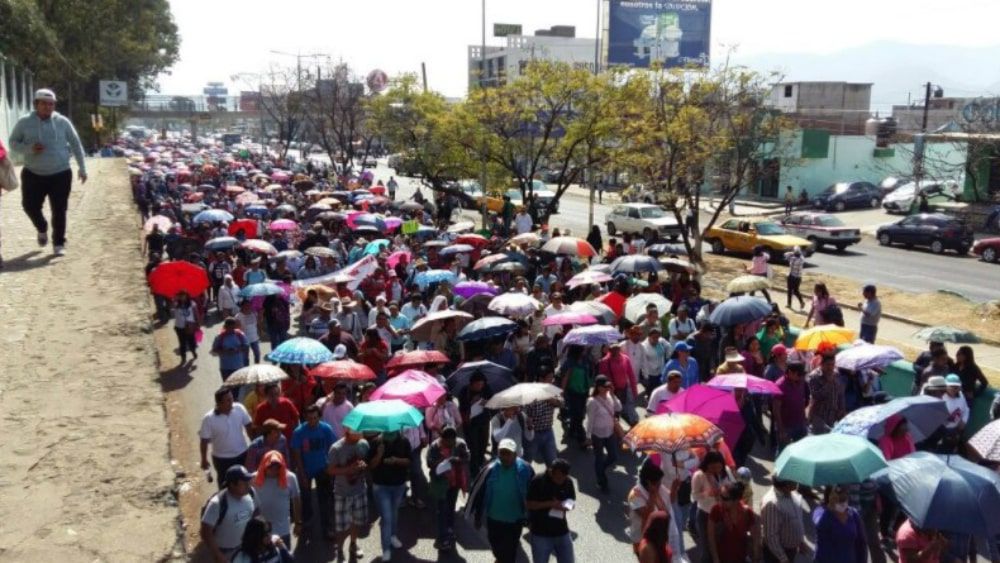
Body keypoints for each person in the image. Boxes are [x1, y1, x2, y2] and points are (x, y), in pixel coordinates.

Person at [8, 88, 87, 256]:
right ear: (36, 104)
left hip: (60, 173)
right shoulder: (24, 122)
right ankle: (42, 227)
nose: (47, 107)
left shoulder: (62, 121)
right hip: (33, 173)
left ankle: (58, 242)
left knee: (59, 209)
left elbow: (76, 143)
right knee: (29, 206)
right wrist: (29, 148)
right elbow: (13, 142)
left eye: (51, 104)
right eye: (43, 103)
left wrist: (82, 167)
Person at [466, 438, 535, 563]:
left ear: (515, 454)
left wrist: (532, 517)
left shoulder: (526, 469)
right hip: (494, 518)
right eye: (502, 453)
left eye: (508, 453)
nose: (505, 457)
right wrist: (477, 516)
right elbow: (478, 492)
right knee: (496, 547)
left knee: (510, 551)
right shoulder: (490, 470)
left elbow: (534, 493)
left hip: (515, 520)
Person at [290, 404, 337, 537]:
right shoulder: (299, 432)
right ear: (305, 417)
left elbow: (332, 448)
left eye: (315, 418)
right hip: (306, 470)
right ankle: (307, 524)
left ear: (319, 417)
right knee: (306, 498)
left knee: (325, 500)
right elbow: (297, 454)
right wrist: (302, 473)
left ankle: (327, 528)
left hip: (323, 469)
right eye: (309, 418)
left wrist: (331, 465)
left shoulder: (326, 429)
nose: (312, 421)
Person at [325, 428, 370, 559]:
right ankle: (339, 550)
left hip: (360, 489)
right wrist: (349, 469)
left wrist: (362, 465)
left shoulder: (362, 444)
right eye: (357, 432)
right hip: (342, 493)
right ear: (348, 432)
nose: (361, 434)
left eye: (361, 432)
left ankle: (353, 544)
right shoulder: (336, 448)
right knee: (341, 526)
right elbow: (330, 470)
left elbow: (365, 462)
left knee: (357, 521)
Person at [200, 464, 259, 562]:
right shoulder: (217, 503)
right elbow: (206, 533)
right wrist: (218, 555)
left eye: (248, 481)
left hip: (245, 547)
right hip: (224, 552)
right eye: (244, 482)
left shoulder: (251, 493)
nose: (248, 485)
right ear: (232, 484)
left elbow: (256, 514)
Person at [368, 430, 412, 561]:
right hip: (381, 486)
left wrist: (396, 460)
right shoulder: (376, 442)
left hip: (398, 485)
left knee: (394, 513)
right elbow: (371, 465)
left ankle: (393, 536)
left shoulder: (404, 441)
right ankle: (386, 548)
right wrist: (379, 455)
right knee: (386, 518)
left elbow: (409, 461)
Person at [526, 458, 577, 563]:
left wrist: (566, 506)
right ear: (550, 472)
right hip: (540, 533)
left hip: (562, 531)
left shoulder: (567, 481)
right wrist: (550, 504)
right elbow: (529, 504)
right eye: (558, 478)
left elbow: (571, 501)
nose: (560, 481)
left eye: (563, 477)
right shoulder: (538, 481)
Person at [427, 426, 470, 551]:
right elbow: (429, 462)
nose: (449, 445)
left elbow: (467, 457)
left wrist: (458, 460)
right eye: (447, 442)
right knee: (442, 509)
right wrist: (443, 462)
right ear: (442, 439)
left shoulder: (460, 444)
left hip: (455, 481)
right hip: (441, 483)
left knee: (451, 507)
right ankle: (443, 537)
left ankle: (450, 528)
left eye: (452, 442)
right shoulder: (435, 446)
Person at [200, 388, 253, 488]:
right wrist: (204, 459)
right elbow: (204, 441)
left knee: (245, 483)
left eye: (232, 399)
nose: (231, 403)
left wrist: (254, 444)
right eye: (228, 400)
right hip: (222, 459)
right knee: (225, 485)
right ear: (219, 403)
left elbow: (249, 426)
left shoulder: (239, 408)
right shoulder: (208, 419)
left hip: (242, 454)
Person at [627, 461, 680, 559]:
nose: (660, 484)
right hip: (643, 540)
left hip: (659, 537)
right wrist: (652, 495)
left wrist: (674, 488)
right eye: (658, 482)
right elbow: (647, 517)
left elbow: (671, 500)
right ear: (648, 482)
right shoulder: (635, 495)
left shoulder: (658, 487)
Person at [249, 451, 301, 548]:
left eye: (277, 467)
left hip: (283, 530)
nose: (274, 470)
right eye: (270, 467)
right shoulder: (253, 479)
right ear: (264, 465)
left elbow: (296, 500)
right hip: (261, 531)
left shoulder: (290, 478)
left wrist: (298, 523)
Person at [706, 481, 760, 563]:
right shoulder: (716, 510)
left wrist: (756, 557)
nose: (720, 500)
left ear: (736, 500)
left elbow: (755, 537)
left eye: (725, 499)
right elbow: (711, 537)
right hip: (721, 559)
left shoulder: (747, 512)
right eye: (720, 496)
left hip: (740, 558)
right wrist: (715, 559)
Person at [586, 375, 623, 493]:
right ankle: (602, 481)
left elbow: (619, 407)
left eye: (609, 386)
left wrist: (613, 394)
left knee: (613, 456)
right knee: (599, 457)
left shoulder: (610, 396)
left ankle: (600, 470)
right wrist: (588, 436)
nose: (608, 388)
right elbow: (590, 420)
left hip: (610, 432)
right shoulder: (592, 401)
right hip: (598, 435)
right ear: (598, 387)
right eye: (605, 386)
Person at [813, 485, 866, 563]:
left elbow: (861, 543)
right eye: (838, 499)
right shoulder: (820, 512)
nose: (842, 502)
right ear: (829, 497)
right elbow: (819, 524)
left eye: (844, 498)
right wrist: (830, 510)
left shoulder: (853, 514)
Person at [759, 477, 806, 563]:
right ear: (786, 484)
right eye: (794, 479)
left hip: (791, 551)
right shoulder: (772, 503)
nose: (797, 480)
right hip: (777, 555)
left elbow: (798, 519)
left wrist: (801, 541)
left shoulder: (793, 494)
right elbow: (771, 536)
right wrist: (783, 559)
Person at [691, 451, 728, 557]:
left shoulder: (724, 472)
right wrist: (707, 493)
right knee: (707, 548)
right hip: (705, 515)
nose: (716, 470)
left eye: (719, 467)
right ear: (707, 464)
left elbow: (730, 485)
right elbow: (693, 497)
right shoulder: (699, 476)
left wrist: (725, 490)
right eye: (713, 467)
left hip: (721, 513)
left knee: (720, 545)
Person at [524, 371, 562, 466]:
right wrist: (527, 419)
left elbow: (562, 403)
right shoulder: (530, 392)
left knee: (553, 463)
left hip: (548, 431)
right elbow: (524, 411)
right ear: (541, 379)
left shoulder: (552, 390)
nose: (552, 380)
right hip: (533, 434)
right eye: (549, 378)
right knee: (526, 463)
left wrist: (550, 398)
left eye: (552, 377)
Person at [599, 342, 639, 426]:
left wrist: (634, 391)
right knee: (615, 411)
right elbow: (602, 379)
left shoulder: (625, 359)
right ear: (610, 351)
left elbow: (631, 375)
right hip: (612, 391)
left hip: (625, 388)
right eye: (613, 351)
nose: (616, 353)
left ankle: (632, 423)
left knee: (628, 407)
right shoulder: (604, 361)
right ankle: (615, 427)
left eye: (617, 350)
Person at [560, 346, 594, 447]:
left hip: (584, 391)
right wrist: (562, 392)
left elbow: (589, 372)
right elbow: (565, 378)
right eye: (583, 349)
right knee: (578, 415)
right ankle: (582, 439)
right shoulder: (570, 362)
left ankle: (571, 431)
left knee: (579, 413)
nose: (585, 350)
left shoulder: (585, 360)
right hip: (573, 392)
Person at [806, 353, 845, 434]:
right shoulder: (814, 377)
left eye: (833, 364)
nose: (830, 367)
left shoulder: (836, 374)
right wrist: (828, 382)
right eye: (828, 365)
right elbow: (816, 396)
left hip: (833, 415)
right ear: (821, 364)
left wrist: (841, 409)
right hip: (819, 416)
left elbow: (840, 393)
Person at [772, 363, 808, 452]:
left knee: (801, 451)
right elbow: (776, 409)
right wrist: (781, 429)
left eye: (802, 374)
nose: (801, 377)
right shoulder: (780, 385)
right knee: (782, 452)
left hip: (800, 423)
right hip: (786, 426)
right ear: (790, 372)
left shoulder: (801, 381)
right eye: (798, 374)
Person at [229, 516, 295, 563]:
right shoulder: (242, 557)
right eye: (265, 533)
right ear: (254, 536)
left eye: (269, 531)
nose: (269, 535)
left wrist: (283, 549)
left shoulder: (275, 546)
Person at [211, 317, 249, 382]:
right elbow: (214, 350)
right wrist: (225, 351)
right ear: (225, 326)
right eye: (229, 328)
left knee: (238, 387)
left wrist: (238, 349)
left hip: (238, 366)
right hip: (225, 367)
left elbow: (246, 346)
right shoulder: (219, 337)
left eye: (233, 328)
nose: (231, 330)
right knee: (227, 388)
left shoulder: (240, 335)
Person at [173, 290, 199, 364]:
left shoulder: (192, 304)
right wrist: (176, 298)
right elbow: (172, 306)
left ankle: (193, 351)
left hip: (190, 326)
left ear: (187, 295)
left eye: (184, 295)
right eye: (180, 296)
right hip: (179, 326)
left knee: (192, 341)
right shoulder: (176, 304)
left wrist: (197, 324)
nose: (182, 297)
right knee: (182, 343)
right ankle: (183, 357)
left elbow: (196, 314)